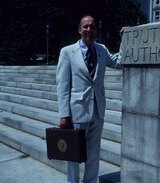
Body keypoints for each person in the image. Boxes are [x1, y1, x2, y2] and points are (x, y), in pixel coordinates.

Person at [56, 15, 123, 183]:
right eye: (85, 26)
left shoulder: (101, 50)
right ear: (79, 29)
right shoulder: (67, 52)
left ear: (96, 30)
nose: (89, 30)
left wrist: (125, 39)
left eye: (92, 27)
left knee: (93, 153)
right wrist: (64, 114)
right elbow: (62, 84)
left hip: (98, 110)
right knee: (74, 153)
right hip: (77, 110)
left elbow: (119, 62)